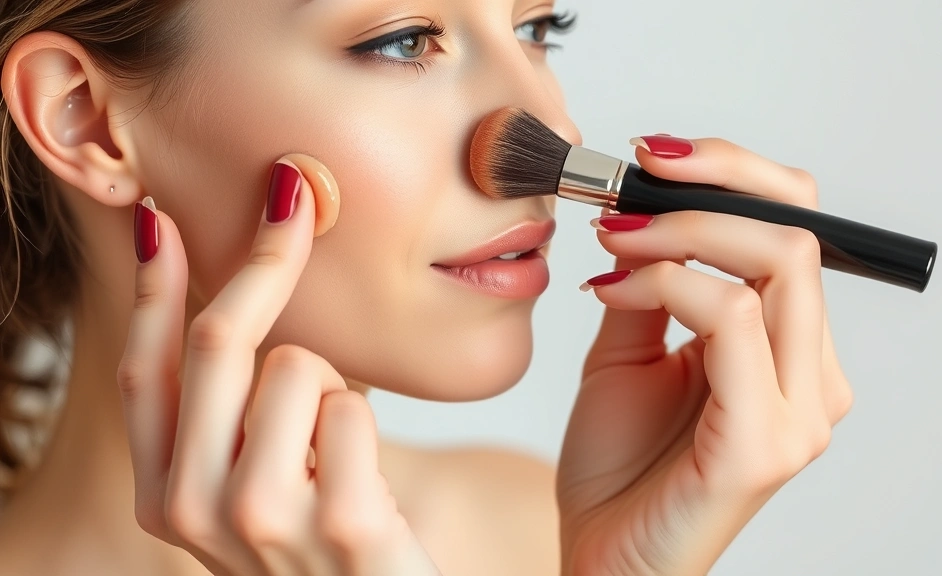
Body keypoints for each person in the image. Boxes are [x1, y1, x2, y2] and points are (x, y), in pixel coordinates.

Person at [0, 1, 853, 575]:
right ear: (82, 116)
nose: (554, 127)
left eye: (536, 27)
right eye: (404, 40)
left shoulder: (529, 540)